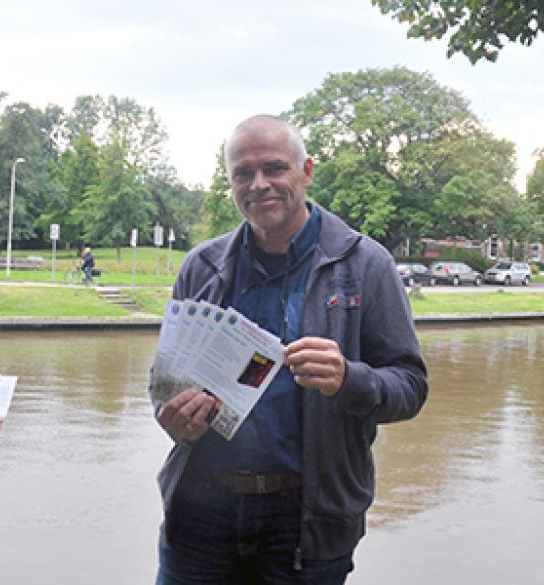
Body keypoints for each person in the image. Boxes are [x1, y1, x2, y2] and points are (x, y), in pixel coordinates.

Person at [149, 115, 428, 583]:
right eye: (243, 173)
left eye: (274, 168)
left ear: (307, 171)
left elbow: (411, 387)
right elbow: (163, 387)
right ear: (230, 183)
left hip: (303, 520)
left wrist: (348, 379)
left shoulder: (365, 264)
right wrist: (175, 420)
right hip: (200, 514)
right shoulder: (202, 266)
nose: (259, 185)